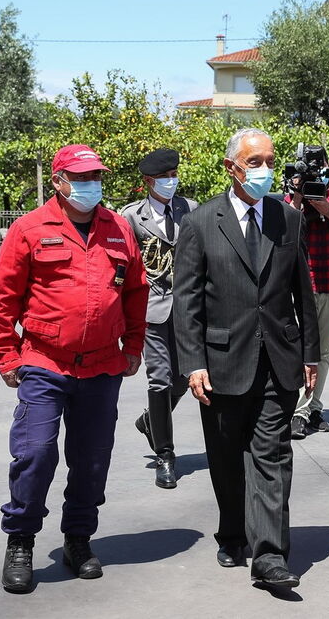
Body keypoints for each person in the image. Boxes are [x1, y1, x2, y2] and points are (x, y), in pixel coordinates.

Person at [0, 144, 148, 593]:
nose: (91, 184)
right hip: (44, 362)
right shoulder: (30, 228)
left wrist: (133, 344)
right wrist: (5, 354)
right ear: (58, 181)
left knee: (92, 459)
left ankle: (79, 538)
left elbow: (136, 290)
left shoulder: (118, 228)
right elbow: (4, 297)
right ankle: (21, 539)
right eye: (81, 177)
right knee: (35, 452)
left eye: (96, 176)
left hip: (102, 367)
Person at [173, 127, 319, 590]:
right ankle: (232, 531)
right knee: (225, 458)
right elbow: (186, 300)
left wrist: (310, 354)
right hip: (219, 364)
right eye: (255, 162)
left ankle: (270, 554)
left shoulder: (287, 219)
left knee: (273, 455)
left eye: (269, 160)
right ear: (230, 168)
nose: (265, 170)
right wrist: (193, 362)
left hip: (278, 358)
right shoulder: (200, 223)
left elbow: (303, 292)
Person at [121, 148, 198, 489]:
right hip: (151, 307)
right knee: (160, 380)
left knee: (184, 378)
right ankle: (165, 456)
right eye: (165, 177)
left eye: (174, 174)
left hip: (186, 308)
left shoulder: (191, 209)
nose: (172, 181)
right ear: (149, 181)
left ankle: (151, 419)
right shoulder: (131, 216)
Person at [285, 156, 329, 439]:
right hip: (297, 285)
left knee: (322, 353)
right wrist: (298, 199)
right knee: (298, 350)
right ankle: (302, 410)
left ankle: (310, 407)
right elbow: (282, 234)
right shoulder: (291, 197)